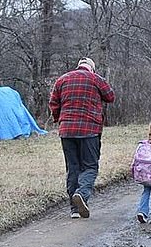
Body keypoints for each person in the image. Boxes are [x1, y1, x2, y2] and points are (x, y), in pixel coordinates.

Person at [49, 57, 115, 219]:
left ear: (78, 66)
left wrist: (59, 119)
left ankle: (74, 209)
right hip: (89, 130)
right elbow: (110, 96)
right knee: (90, 167)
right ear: (91, 68)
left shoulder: (62, 79)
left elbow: (54, 103)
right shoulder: (96, 79)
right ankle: (82, 194)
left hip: (66, 130)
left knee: (73, 168)